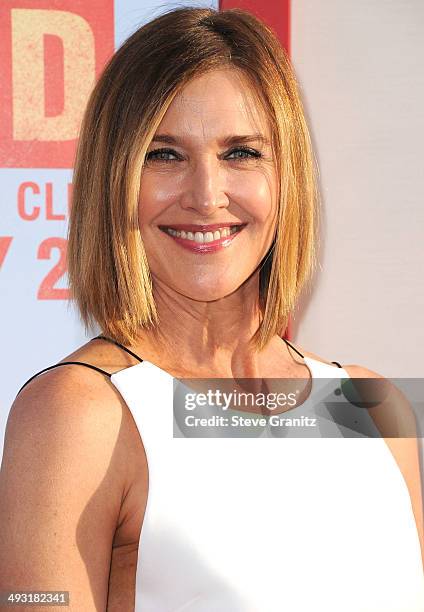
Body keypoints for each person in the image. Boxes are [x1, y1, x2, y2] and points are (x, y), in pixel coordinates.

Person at [1, 6, 423, 612]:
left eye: (242, 153)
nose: (206, 195)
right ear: (113, 176)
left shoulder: (370, 406)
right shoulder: (80, 413)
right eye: (164, 154)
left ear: (288, 176)